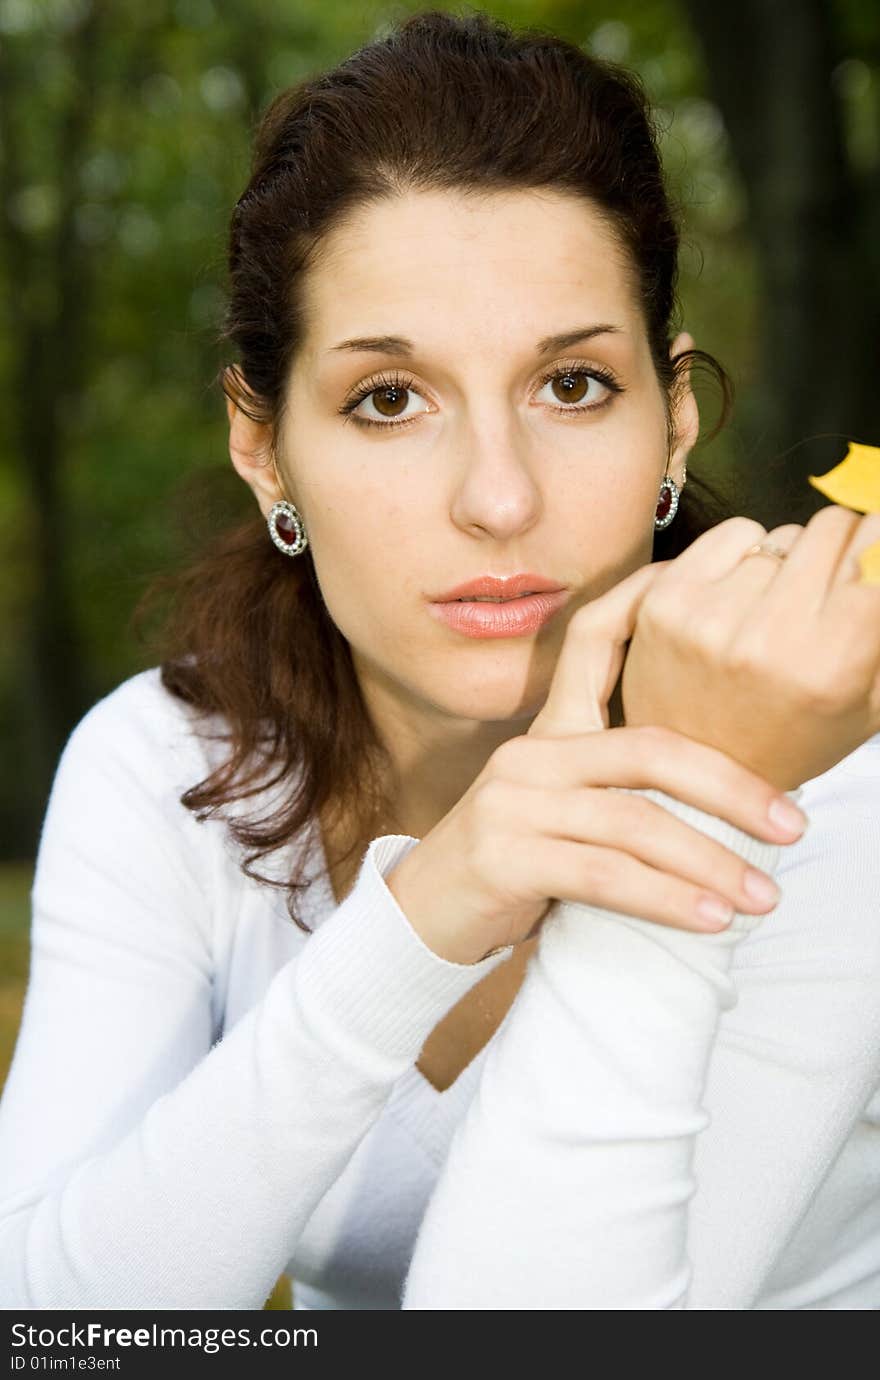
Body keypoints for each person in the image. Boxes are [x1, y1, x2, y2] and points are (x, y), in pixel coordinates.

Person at [1, 9, 878, 1311]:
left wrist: (682, 794)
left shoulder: (831, 789)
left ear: (675, 418)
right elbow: (55, 1325)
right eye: (389, 399)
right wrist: (422, 920)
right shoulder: (169, 768)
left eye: (571, 385)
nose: (498, 498)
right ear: (263, 448)